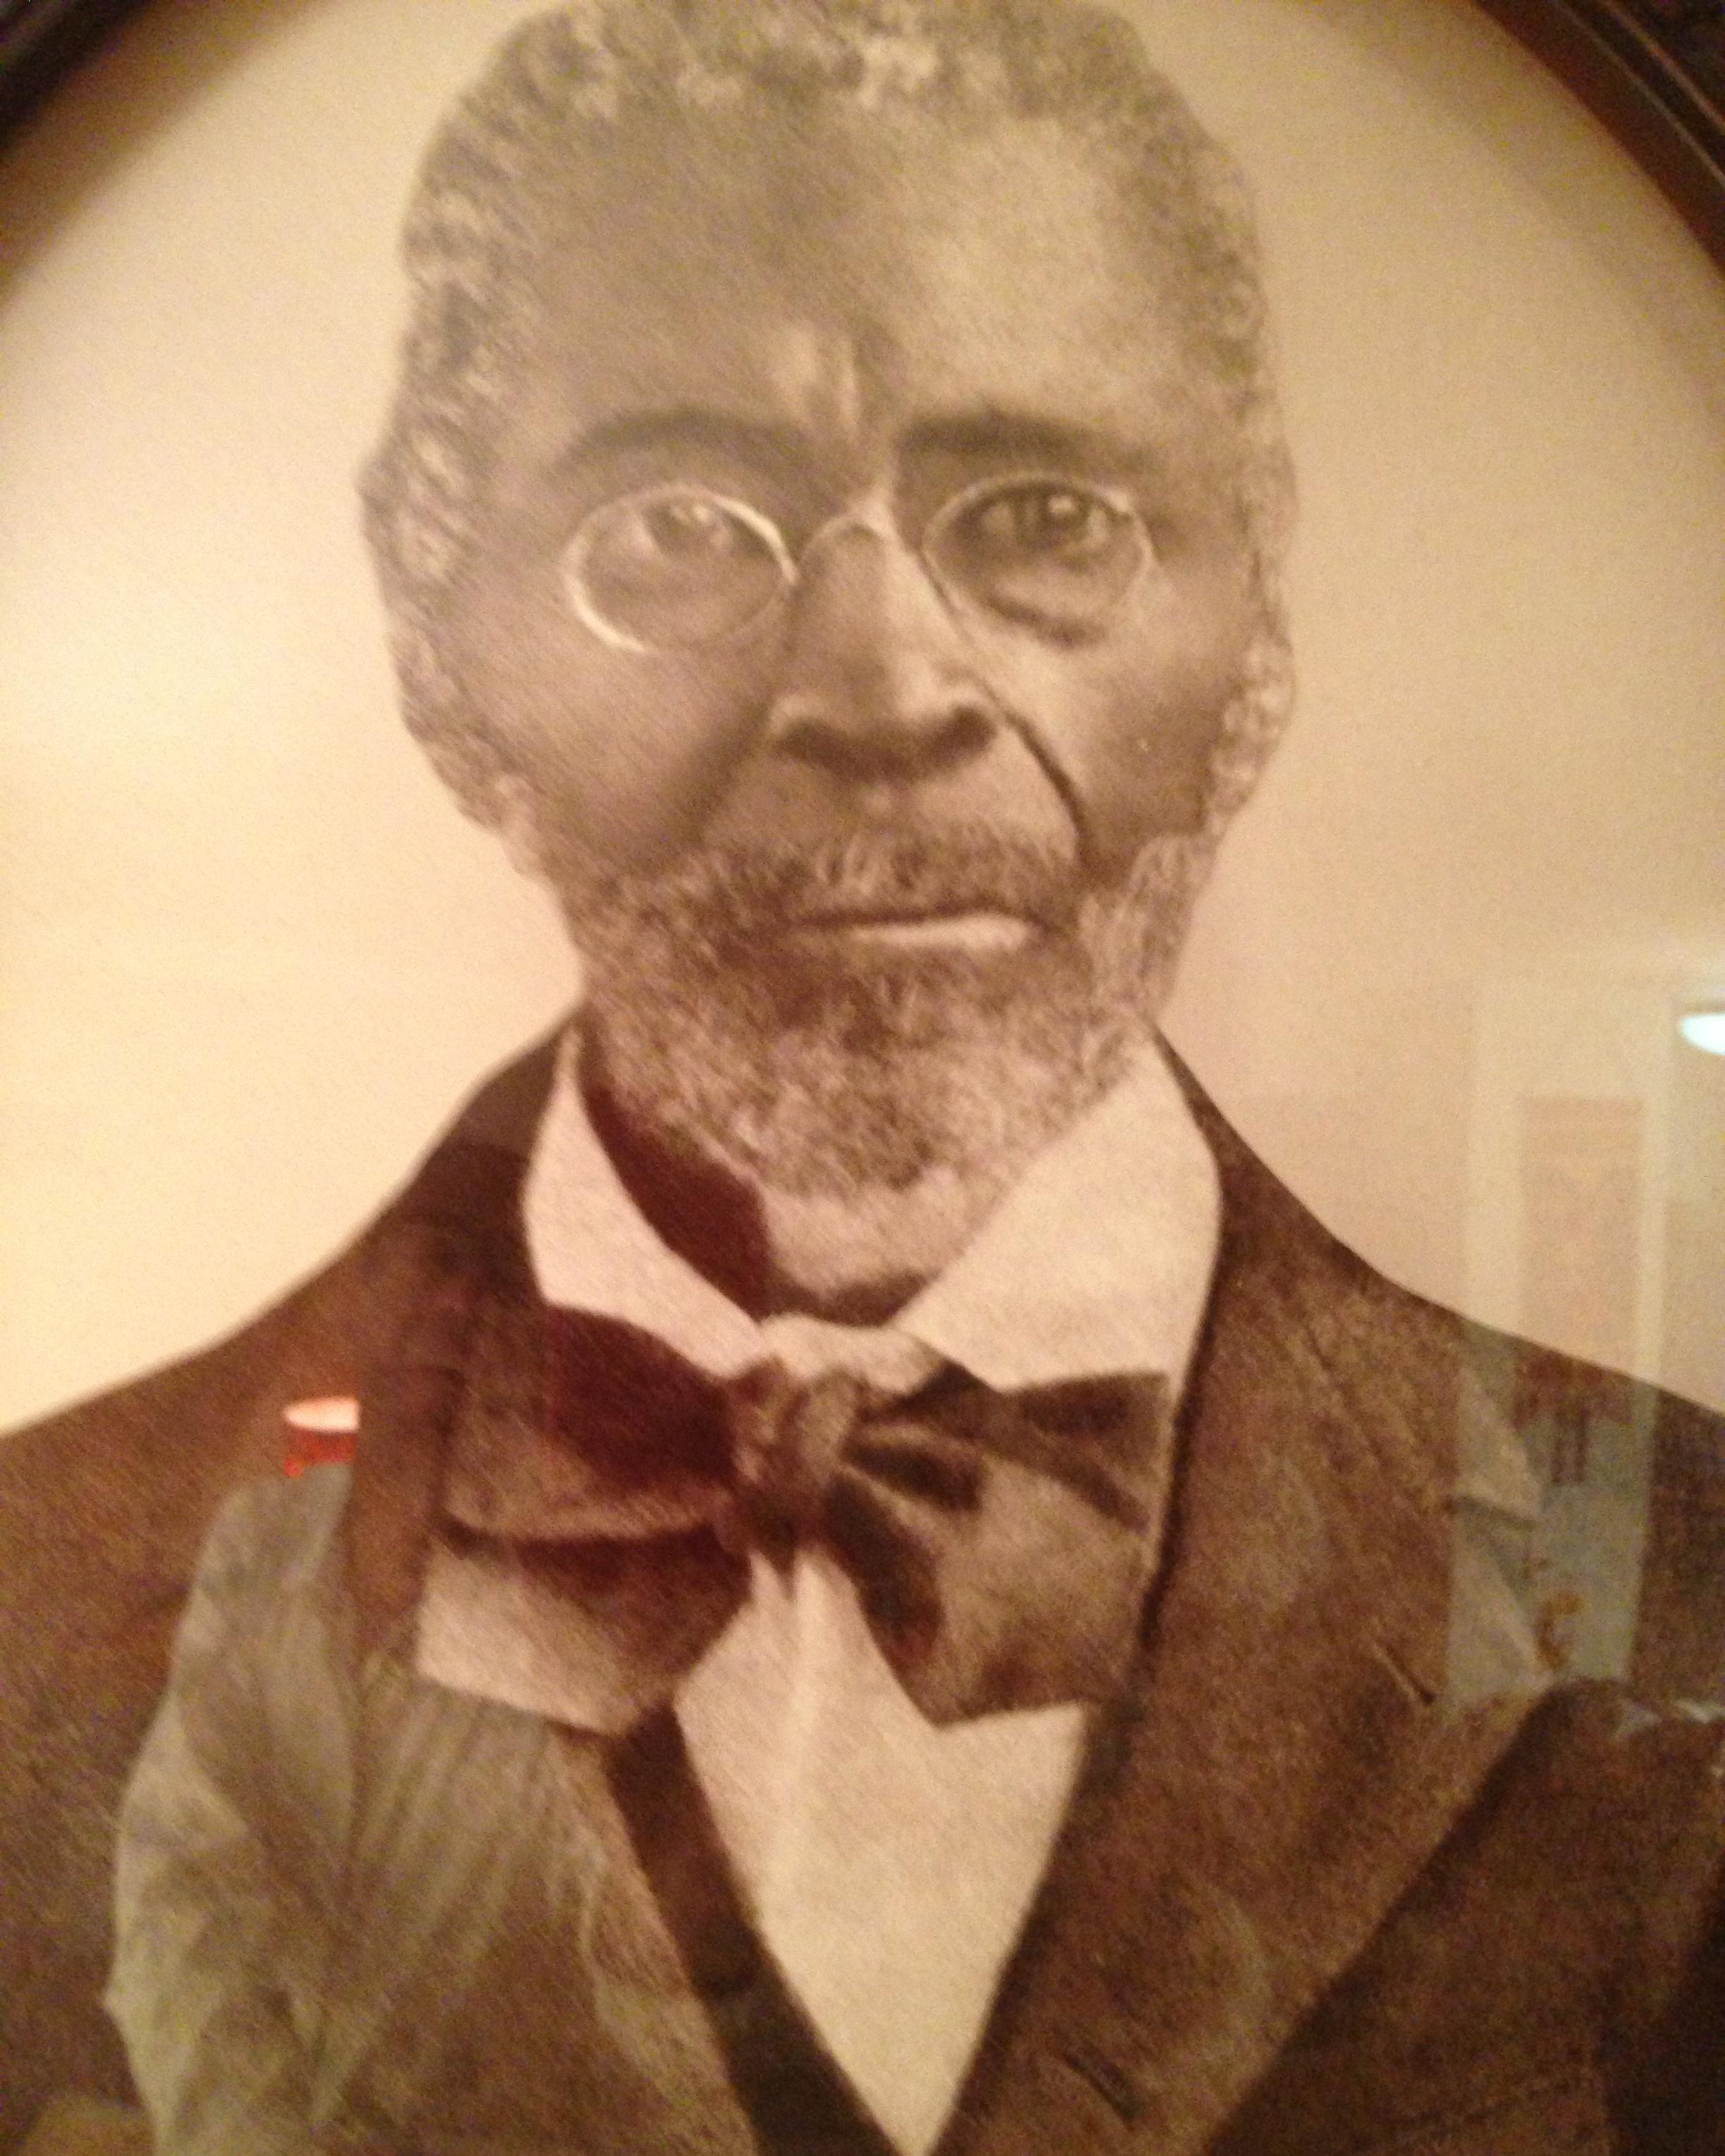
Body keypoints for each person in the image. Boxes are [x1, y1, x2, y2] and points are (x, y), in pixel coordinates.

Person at [2, 1, 1722, 2151]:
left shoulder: (1661, 1570)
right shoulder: (43, 1605)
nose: (891, 688)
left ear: (1258, 622)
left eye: (1047, 515)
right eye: (675, 529)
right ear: (438, 639)